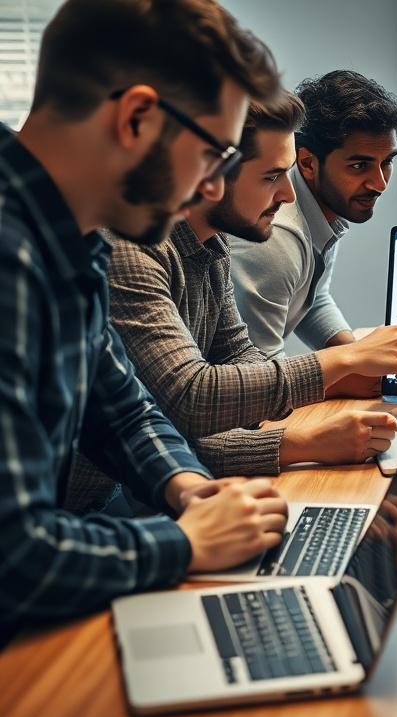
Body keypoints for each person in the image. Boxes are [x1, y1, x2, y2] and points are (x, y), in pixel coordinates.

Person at [0, 0, 296, 623]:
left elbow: (125, 409)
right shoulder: (11, 256)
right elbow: (15, 556)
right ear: (136, 116)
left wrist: (190, 490)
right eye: (214, 154)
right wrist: (187, 542)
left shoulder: (70, 235)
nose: (213, 188)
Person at [66, 95, 397, 506]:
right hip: (89, 507)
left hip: (139, 486)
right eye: (271, 176)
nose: (288, 195)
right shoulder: (127, 250)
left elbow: (236, 359)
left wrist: (305, 435)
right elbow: (190, 399)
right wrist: (340, 366)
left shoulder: (213, 244)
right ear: (208, 175)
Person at [230, 70, 397, 396]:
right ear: (307, 163)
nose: (379, 183)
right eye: (359, 166)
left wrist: (357, 355)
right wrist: (350, 376)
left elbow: (311, 299)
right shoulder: (276, 237)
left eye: (386, 162)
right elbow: (257, 380)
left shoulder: (323, 206)